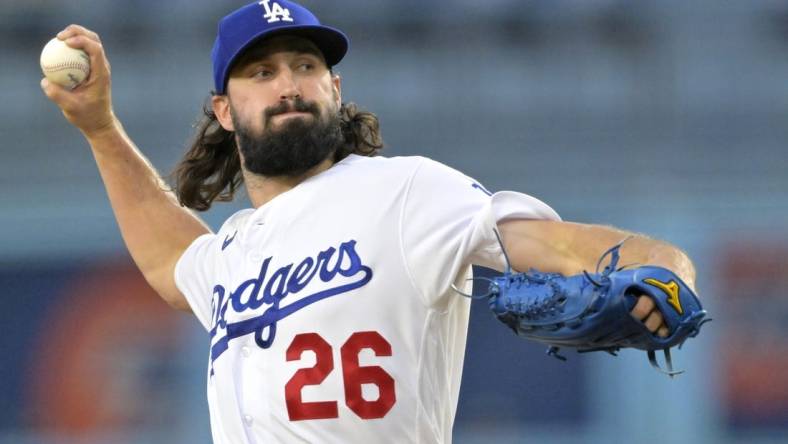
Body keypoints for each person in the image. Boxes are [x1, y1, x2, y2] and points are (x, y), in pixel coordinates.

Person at [41, 1, 697, 443]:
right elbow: (169, 262)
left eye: (306, 65)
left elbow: (565, 244)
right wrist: (99, 127)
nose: (289, 84)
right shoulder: (236, 251)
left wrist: (667, 275)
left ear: (335, 89)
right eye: (262, 72)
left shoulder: (406, 193)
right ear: (224, 109)